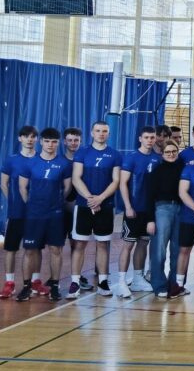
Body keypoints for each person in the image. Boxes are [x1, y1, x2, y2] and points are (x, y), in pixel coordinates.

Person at [17, 128, 72, 302]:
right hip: (34, 214)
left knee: (56, 250)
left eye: (54, 141)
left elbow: (67, 188)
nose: (50, 145)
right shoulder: (30, 163)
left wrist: (56, 203)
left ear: (58, 143)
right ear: (41, 142)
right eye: (47, 141)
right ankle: (27, 286)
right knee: (30, 250)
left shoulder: (64, 164)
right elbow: (22, 187)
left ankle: (54, 286)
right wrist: (32, 205)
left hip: (55, 214)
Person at [70, 121, 122, 297]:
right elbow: (76, 178)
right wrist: (90, 199)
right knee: (79, 244)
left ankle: (103, 281)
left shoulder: (114, 154)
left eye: (104, 131)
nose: (101, 133)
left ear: (109, 134)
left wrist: (100, 198)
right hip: (84, 205)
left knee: (103, 244)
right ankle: (75, 282)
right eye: (98, 130)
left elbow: (116, 180)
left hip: (105, 205)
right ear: (92, 133)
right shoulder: (82, 152)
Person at [116, 126, 161, 297]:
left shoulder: (158, 159)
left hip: (149, 211)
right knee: (128, 244)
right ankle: (121, 281)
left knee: (143, 243)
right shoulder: (131, 157)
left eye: (152, 137)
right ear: (140, 139)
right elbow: (123, 183)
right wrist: (128, 206)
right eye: (146, 137)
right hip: (134, 209)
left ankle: (137, 279)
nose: (150, 140)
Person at [0, 125, 37, 299]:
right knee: (11, 249)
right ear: (20, 138)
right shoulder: (11, 160)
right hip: (16, 213)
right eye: (26, 136)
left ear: (36, 139)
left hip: (36, 214)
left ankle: (34, 282)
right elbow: (3, 184)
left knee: (33, 249)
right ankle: (9, 283)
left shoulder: (41, 159)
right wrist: (14, 202)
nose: (29, 139)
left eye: (33, 136)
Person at [144, 141, 187, 298]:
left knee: (178, 249)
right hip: (162, 209)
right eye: (167, 152)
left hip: (181, 209)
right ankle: (159, 285)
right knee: (159, 249)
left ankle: (176, 284)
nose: (171, 154)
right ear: (162, 154)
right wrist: (150, 220)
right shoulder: (156, 171)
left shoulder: (184, 169)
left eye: (174, 151)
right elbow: (149, 196)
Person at [62, 127, 85, 284]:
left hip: (78, 209)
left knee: (76, 244)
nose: (73, 143)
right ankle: (54, 279)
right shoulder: (59, 161)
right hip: (59, 209)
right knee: (55, 246)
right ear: (64, 142)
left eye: (76, 140)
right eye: (70, 140)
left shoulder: (84, 161)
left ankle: (76, 277)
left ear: (80, 141)